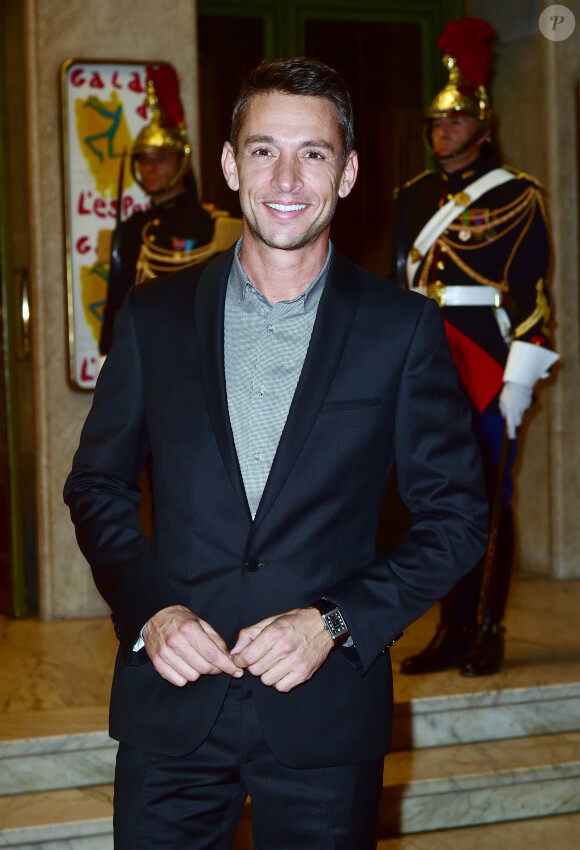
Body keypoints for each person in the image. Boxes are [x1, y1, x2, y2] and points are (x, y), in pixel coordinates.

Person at [65, 57, 488, 849]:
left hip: (324, 714)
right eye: (264, 150)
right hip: (172, 703)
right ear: (229, 164)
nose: (287, 177)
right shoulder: (152, 318)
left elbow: (457, 519)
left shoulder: (402, 329)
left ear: (349, 171)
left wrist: (333, 622)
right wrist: (150, 609)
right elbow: (96, 487)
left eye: (314, 153)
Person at [394, 18, 559, 678]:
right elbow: (396, 287)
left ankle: (487, 626)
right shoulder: (411, 198)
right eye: (437, 121)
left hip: (488, 362)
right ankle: (450, 626)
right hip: (424, 364)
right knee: (437, 502)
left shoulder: (518, 197)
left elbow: (532, 297)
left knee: (491, 499)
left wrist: (521, 378)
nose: (444, 130)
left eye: (457, 120)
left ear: (483, 125)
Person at [99, 63, 214, 356]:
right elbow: (118, 300)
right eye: (144, 159)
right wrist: (108, 354)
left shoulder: (208, 224)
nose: (150, 168)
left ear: (180, 162)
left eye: (160, 158)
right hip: (143, 349)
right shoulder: (132, 226)